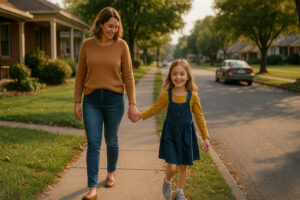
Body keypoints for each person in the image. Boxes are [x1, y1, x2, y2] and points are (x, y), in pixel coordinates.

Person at [74, 7, 139, 200]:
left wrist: (132, 104)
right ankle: (92, 187)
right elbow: (80, 75)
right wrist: (77, 101)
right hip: (91, 100)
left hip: (114, 100)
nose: (113, 30)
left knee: (111, 140)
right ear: (101, 24)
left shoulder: (122, 46)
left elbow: (128, 76)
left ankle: (111, 172)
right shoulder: (87, 45)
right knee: (93, 144)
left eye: (116, 27)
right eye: (110, 26)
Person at [138, 59, 210, 200]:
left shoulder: (193, 96)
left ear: (188, 76)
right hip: (170, 135)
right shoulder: (166, 94)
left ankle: (179, 192)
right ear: (170, 76)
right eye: (174, 74)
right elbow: (155, 108)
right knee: (172, 166)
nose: (178, 77)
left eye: (182, 74)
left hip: (186, 135)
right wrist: (140, 116)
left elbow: (200, 117)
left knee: (183, 166)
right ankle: (167, 181)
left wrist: (205, 137)